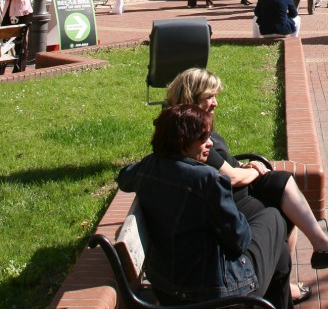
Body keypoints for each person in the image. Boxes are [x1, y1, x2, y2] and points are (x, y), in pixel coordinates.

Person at [165, 69, 328, 303]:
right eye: (209, 96)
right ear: (191, 95)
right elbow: (231, 178)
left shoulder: (194, 122)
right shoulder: (189, 131)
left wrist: (244, 165)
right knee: (279, 209)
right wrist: (253, 171)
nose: (215, 102)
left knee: (282, 187)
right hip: (230, 199)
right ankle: (294, 272)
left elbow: (223, 164)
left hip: (232, 194)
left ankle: (315, 250)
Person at [118, 104, 293, 308]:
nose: (210, 143)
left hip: (165, 288)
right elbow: (240, 240)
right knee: (274, 217)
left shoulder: (148, 165)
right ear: (182, 141)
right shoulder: (208, 179)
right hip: (216, 294)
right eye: (202, 138)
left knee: (280, 253)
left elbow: (123, 178)